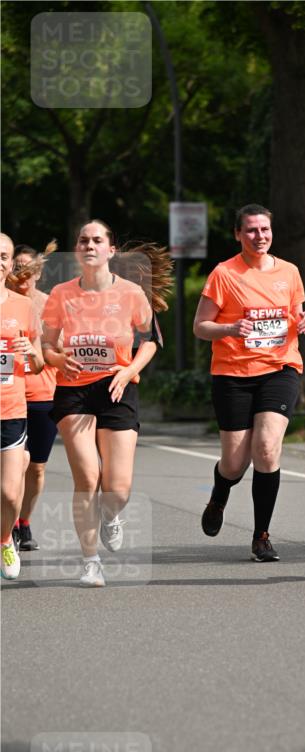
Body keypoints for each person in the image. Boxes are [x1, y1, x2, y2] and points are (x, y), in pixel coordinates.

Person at [41, 220, 171, 587]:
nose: (89, 245)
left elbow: (149, 342)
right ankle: (90, 560)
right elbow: (46, 347)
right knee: (87, 477)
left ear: (111, 250)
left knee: (118, 487)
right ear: (77, 249)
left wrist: (129, 370)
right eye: (83, 240)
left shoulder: (131, 293)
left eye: (97, 240)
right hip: (74, 389)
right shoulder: (61, 294)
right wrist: (56, 360)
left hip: (117, 387)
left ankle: (111, 516)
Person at [193, 203, 305, 561]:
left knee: (265, 448)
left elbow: (296, 314)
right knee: (233, 464)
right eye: (251, 230)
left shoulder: (289, 272)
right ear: (237, 234)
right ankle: (218, 497)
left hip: (280, 369)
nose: (259, 236)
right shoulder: (224, 273)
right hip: (233, 375)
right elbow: (200, 326)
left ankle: (261, 535)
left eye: (264, 229)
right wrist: (230, 328)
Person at [0, 233, 44, 580]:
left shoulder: (23, 306)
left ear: (11, 263)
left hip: (11, 408)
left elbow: (40, 362)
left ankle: (5, 538)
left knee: (10, 493)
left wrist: (32, 354)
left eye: (3, 256)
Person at [8, 242, 58, 551]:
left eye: (30, 267)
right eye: (18, 267)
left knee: (36, 467)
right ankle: (8, 523)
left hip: (43, 395)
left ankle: (24, 523)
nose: (24, 273)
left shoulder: (50, 304)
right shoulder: (5, 302)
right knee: (13, 466)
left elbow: (59, 351)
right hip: (10, 397)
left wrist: (42, 352)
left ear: (39, 272)